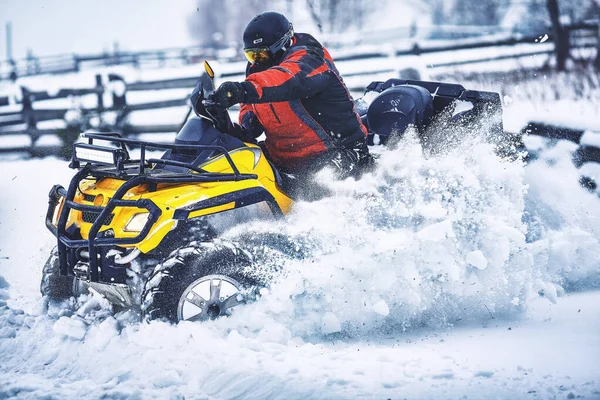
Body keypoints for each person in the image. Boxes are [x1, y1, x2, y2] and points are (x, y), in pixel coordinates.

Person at [193, 11, 372, 199]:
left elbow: (289, 79)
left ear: (282, 45)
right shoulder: (259, 71)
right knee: (233, 171)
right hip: (285, 162)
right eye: (251, 56)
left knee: (314, 194)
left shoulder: (310, 57)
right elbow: (250, 123)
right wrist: (222, 121)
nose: (257, 61)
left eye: (261, 54)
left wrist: (241, 90)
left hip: (339, 154)